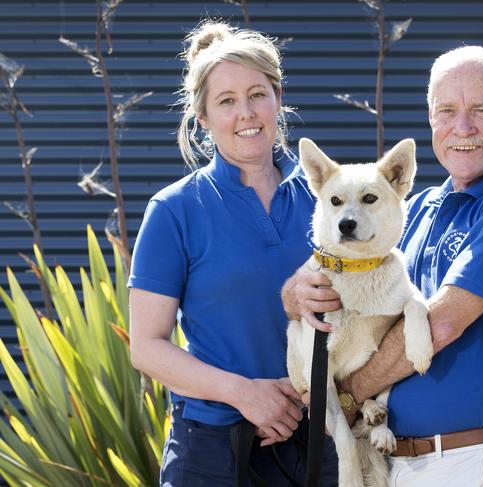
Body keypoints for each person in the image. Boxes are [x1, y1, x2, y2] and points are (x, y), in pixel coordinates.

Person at [282, 45, 483, 486]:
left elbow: (442, 324)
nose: (462, 127)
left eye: (480, 110)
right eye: (447, 110)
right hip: (399, 457)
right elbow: (362, 295)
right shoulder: (419, 207)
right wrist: (296, 293)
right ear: (431, 118)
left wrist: (347, 395)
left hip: (473, 457)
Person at [128, 20, 339, 486]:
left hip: (318, 444)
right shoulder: (174, 210)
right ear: (202, 117)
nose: (246, 113)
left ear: (278, 98)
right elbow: (147, 347)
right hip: (210, 452)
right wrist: (245, 394)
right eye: (226, 101)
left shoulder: (326, 200)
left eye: (257, 94)